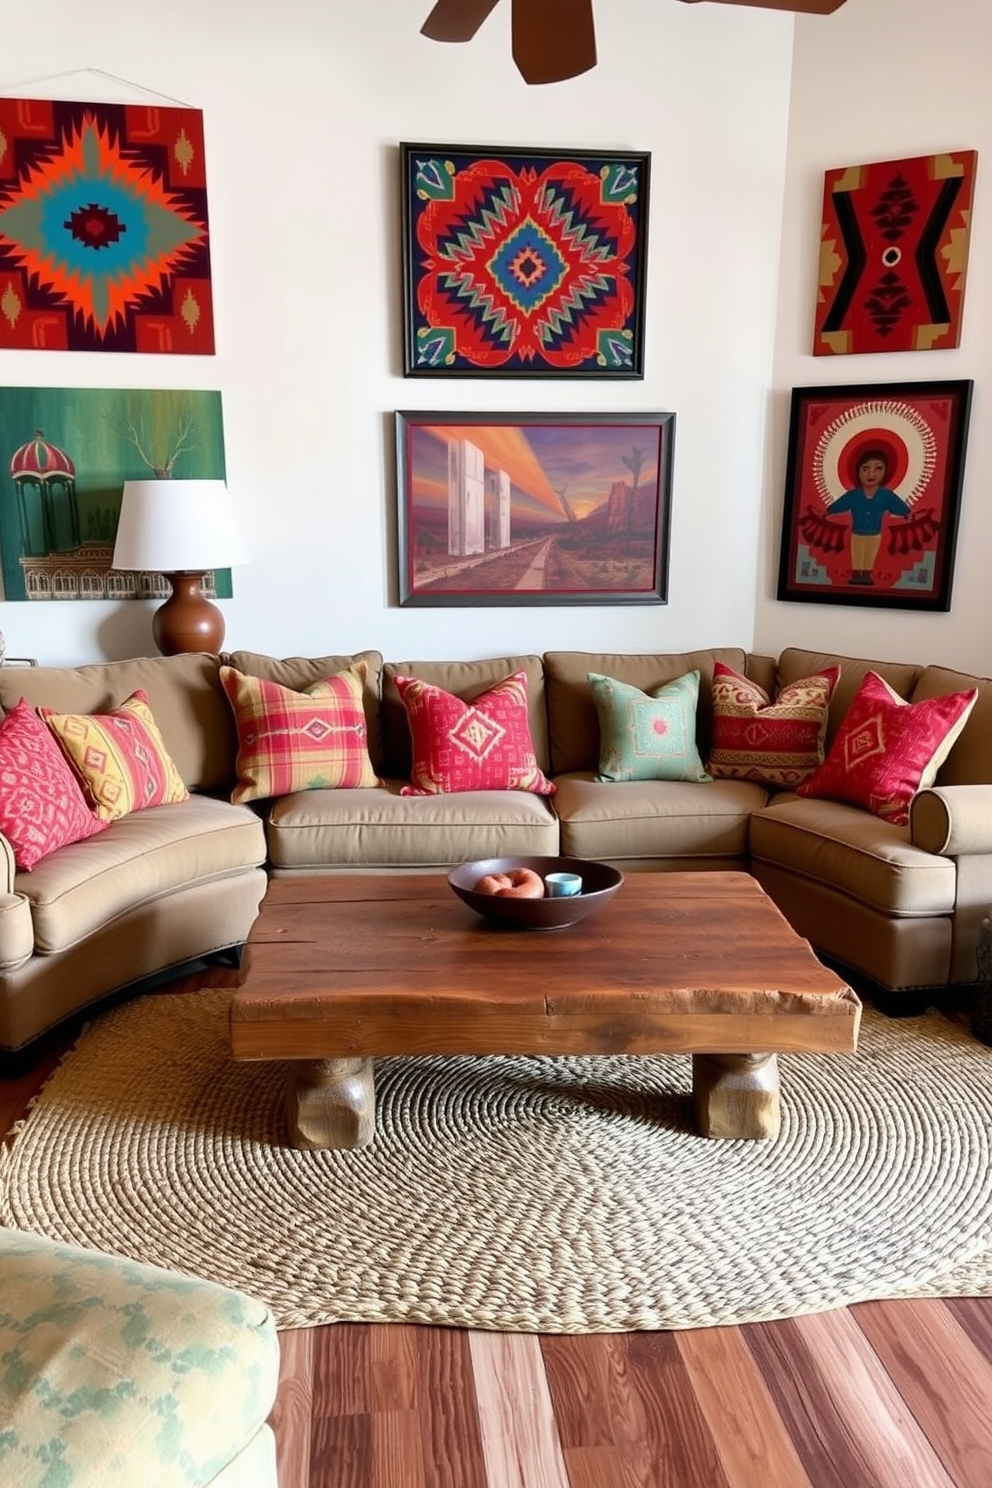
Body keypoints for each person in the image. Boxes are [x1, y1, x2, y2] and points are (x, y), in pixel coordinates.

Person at [828, 449, 910, 586]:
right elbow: (838, 505)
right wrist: (828, 512)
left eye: (878, 468)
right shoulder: (853, 495)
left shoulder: (886, 495)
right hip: (857, 533)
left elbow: (901, 508)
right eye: (865, 468)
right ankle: (856, 575)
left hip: (875, 533)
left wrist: (907, 515)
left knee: (870, 555)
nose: (871, 474)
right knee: (857, 554)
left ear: (886, 471)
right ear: (857, 471)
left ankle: (866, 576)